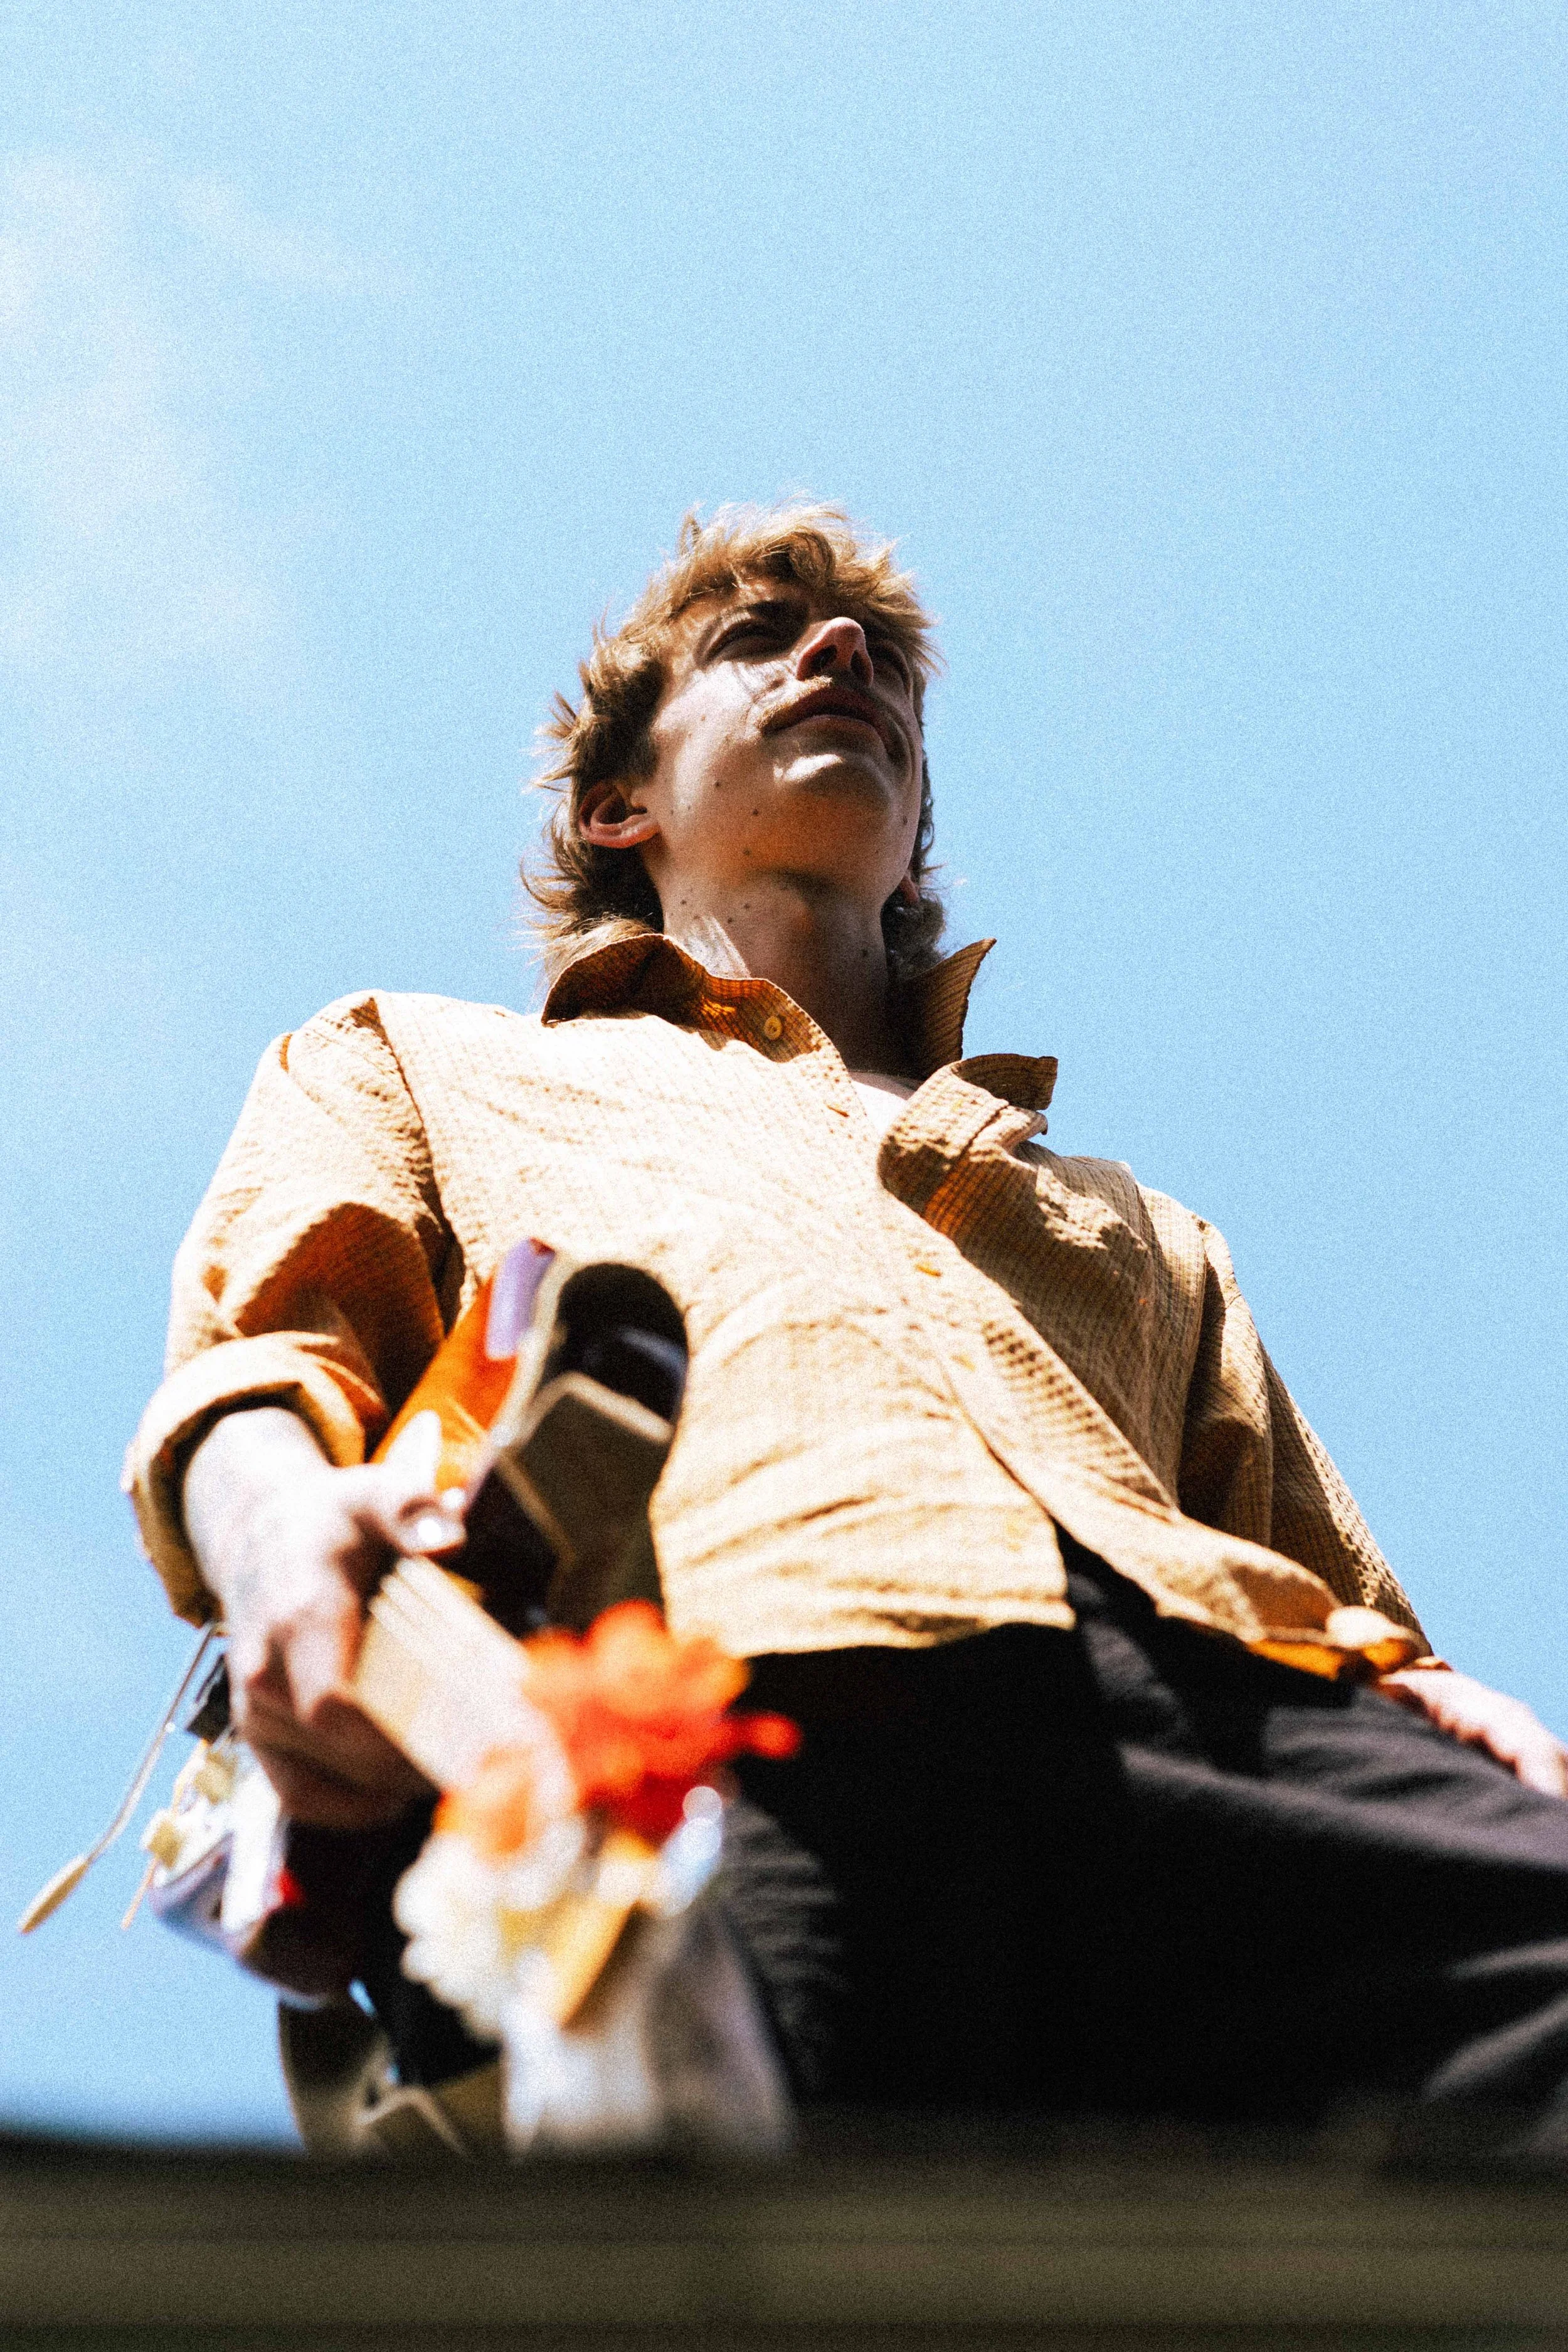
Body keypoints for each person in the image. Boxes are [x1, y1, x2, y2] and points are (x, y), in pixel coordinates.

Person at [127, 504, 1568, 2163]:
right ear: (621, 804)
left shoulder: (1133, 1220)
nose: (842, 659)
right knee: (787, 2278)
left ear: (912, 842)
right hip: (756, 1715)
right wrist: (273, 1543)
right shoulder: (411, 1056)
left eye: (877, 661)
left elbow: (1332, 1589)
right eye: (761, 640)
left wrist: (1435, 1688)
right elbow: (256, 1377)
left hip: (1248, 1736)